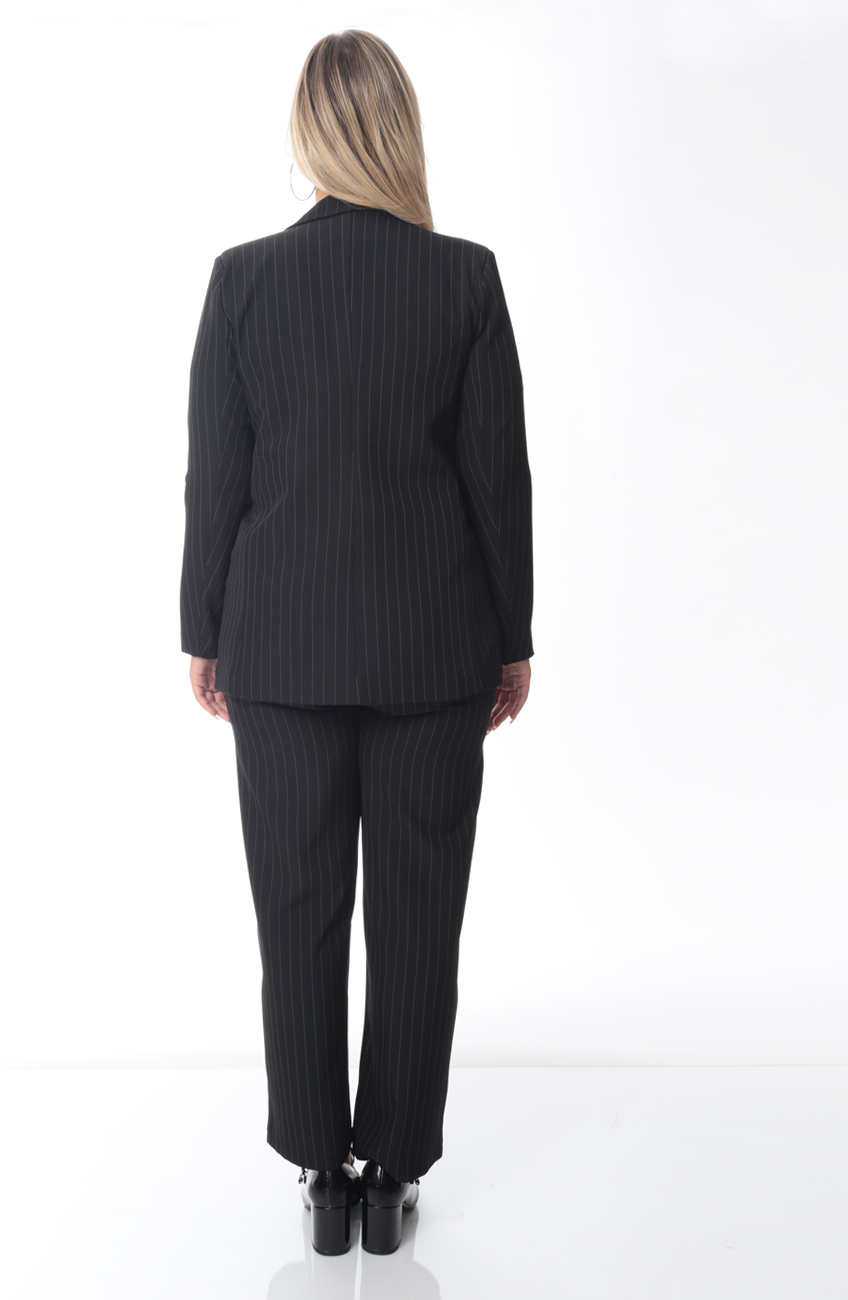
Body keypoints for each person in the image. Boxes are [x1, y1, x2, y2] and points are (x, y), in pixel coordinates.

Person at [180, 29, 533, 1256]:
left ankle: (318, 1175)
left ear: (307, 134)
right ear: (398, 130)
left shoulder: (242, 282)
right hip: (435, 649)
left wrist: (203, 628)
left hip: (278, 646)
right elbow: (497, 480)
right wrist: (511, 635)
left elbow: (216, 478)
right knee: (419, 914)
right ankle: (390, 1172)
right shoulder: (465, 280)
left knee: (297, 907)